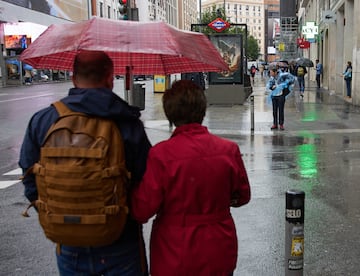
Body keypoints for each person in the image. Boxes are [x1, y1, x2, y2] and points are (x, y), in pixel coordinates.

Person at [19, 50, 151, 276]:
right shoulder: (127, 122)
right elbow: (146, 178)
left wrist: (58, 211)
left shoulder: (44, 120)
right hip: (120, 238)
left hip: (69, 241)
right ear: (110, 78)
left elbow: (29, 175)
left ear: (73, 77)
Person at [131, 80, 251, 276]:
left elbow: (143, 208)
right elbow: (242, 196)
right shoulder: (228, 150)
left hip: (175, 251)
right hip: (219, 247)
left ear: (170, 114)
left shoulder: (161, 155)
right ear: (202, 110)